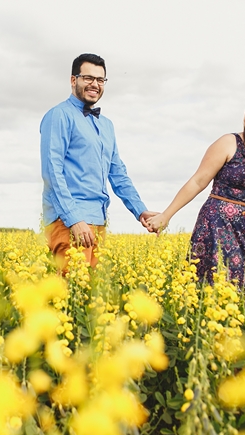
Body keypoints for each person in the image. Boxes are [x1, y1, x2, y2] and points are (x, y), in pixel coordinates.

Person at [146, 91, 245, 291]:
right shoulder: (229, 143)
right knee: (211, 290)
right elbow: (198, 181)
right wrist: (166, 215)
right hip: (216, 226)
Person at [40, 53, 157, 272]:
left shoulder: (106, 125)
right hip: (69, 221)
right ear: (73, 80)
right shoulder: (58, 116)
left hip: (97, 219)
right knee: (68, 297)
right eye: (88, 78)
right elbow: (52, 173)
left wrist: (140, 210)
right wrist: (74, 219)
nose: (95, 84)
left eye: (100, 80)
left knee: (87, 298)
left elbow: (117, 173)